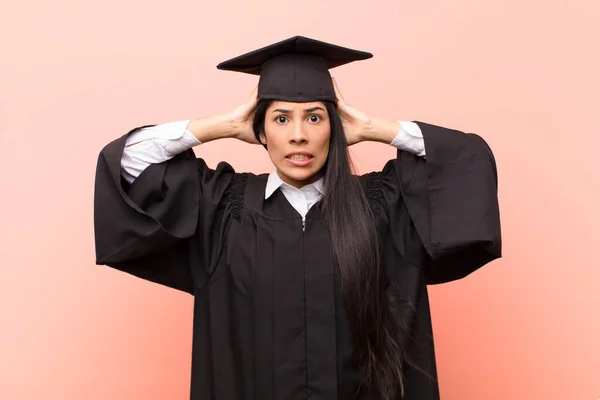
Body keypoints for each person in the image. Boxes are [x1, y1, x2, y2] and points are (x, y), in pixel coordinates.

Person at [93, 36, 502, 400]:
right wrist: (223, 125)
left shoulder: (381, 207)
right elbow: (126, 163)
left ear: (334, 129)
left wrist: (376, 128)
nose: (298, 135)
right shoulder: (223, 209)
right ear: (262, 132)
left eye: (314, 118)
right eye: (281, 119)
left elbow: (467, 161)